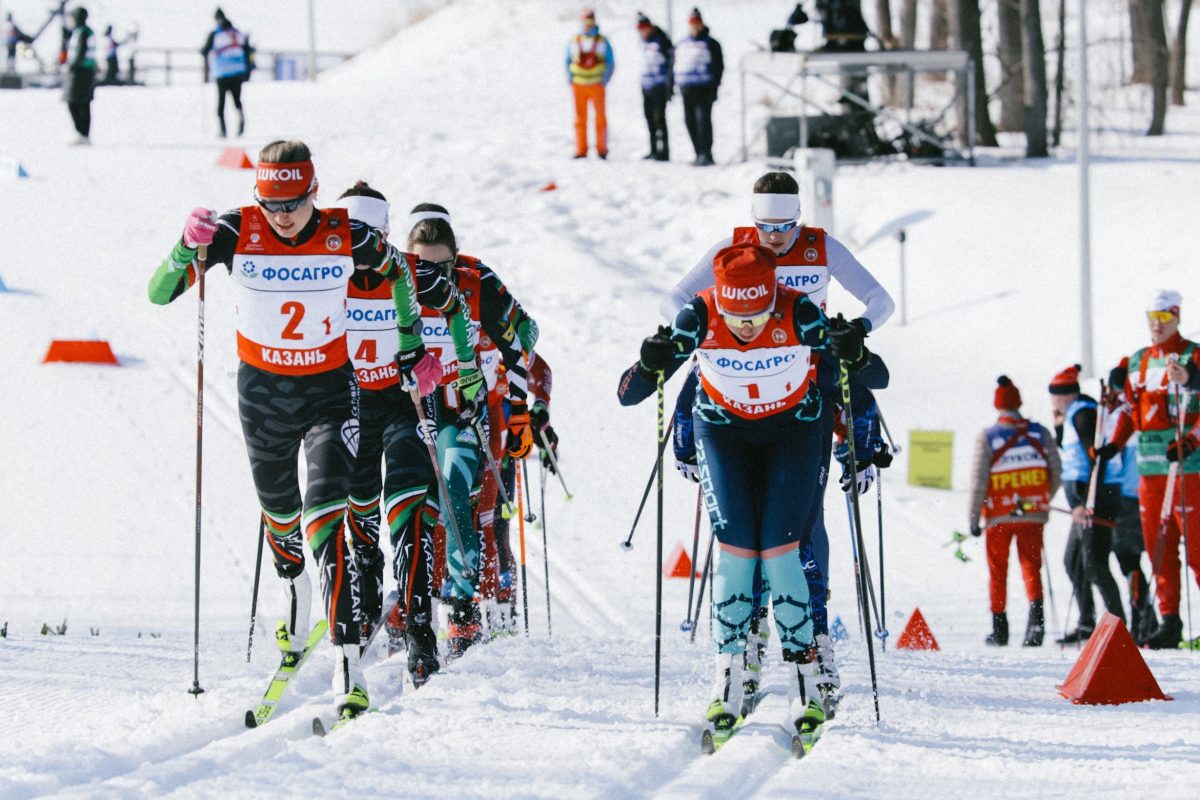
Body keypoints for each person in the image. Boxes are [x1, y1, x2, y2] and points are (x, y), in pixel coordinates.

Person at [147, 140, 483, 719]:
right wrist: (184, 247)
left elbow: (424, 287)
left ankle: (366, 655)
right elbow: (160, 292)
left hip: (348, 395)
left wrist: (421, 352)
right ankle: (305, 591)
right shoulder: (239, 230)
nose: (282, 215)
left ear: (314, 193)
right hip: (267, 396)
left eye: (294, 202)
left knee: (342, 517)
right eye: (271, 203)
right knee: (291, 524)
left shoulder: (350, 238)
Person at [661, 171, 893, 705]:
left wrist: (857, 329)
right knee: (742, 525)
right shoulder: (733, 250)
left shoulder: (820, 247)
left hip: (808, 373)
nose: (775, 238)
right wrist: (698, 328)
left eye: (785, 227)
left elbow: (881, 299)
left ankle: (814, 638)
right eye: (766, 227)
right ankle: (745, 637)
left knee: (801, 523)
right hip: (742, 371)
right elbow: (673, 297)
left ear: (799, 218)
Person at [619, 241, 864, 748]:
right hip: (722, 435)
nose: (746, 328)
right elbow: (630, 393)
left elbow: (869, 376)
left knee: (781, 551)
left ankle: (805, 680)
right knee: (735, 552)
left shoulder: (799, 311)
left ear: (773, 300)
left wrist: (852, 350)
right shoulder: (698, 315)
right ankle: (728, 678)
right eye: (735, 317)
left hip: (793, 434)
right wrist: (648, 363)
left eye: (756, 317)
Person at [405, 204, 536, 657]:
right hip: (407, 408)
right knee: (407, 500)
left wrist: (516, 404)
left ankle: (463, 606)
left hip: (460, 408)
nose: (431, 277)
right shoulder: (395, 283)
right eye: (421, 266)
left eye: (441, 267)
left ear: (455, 259)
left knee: (457, 490)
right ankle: (402, 596)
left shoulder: (477, 282)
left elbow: (525, 336)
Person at [331, 181, 445, 688]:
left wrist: (438, 363)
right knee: (358, 509)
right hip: (351, 400)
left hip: (404, 401)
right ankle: (366, 590)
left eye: (369, 236)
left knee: (409, 510)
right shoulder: (326, 274)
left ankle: (420, 629)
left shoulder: (409, 270)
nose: (360, 250)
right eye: (351, 235)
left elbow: (458, 309)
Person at [1099, 289, 1200, 649]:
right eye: (1151, 318)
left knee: (1197, 550)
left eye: (1163, 318)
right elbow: (1130, 410)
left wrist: (1191, 440)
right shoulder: (1139, 361)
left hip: (1187, 470)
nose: (1156, 325)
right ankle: (1170, 621)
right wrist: (1114, 443)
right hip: (1150, 470)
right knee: (1159, 548)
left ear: (1176, 317)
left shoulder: (1193, 355)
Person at [967, 376, 1061, 647]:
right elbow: (1056, 471)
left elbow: (979, 481)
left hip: (999, 514)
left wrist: (973, 517)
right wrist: (1041, 498)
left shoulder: (988, 437)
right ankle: (1036, 626)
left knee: (998, 570)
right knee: (1032, 565)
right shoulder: (1040, 432)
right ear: (1019, 403)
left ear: (998, 406)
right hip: (1033, 512)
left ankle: (1000, 629)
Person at [1050, 364, 1126, 644]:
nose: (1053, 401)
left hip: (1094, 498)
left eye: (1056, 395)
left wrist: (1084, 502)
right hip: (1083, 501)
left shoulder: (1084, 413)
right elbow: (1070, 451)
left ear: (1066, 394)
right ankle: (1087, 622)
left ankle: (1119, 627)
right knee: (1073, 561)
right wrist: (1059, 426)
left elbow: (1094, 457)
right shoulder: (1073, 413)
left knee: (1094, 564)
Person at [1102, 359, 1154, 644]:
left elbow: (1114, 460)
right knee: (1134, 560)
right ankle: (1147, 620)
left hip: (1126, 496)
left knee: (1128, 559)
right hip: (1140, 493)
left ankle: (1143, 622)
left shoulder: (1123, 414)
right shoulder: (1139, 409)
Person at [673, 8, 722, 166]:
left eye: (697, 23)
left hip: (704, 89)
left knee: (703, 121)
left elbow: (718, 67)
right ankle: (697, 152)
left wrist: (714, 87)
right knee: (689, 121)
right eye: (692, 23)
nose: (694, 26)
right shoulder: (683, 43)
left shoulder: (711, 43)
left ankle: (706, 153)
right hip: (686, 88)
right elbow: (675, 64)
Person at [566, 8, 613, 159]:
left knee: (600, 118)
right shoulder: (575, 39)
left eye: (590, 21)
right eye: (585, 21)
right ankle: (581, 149)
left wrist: (604, 80)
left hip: (596, 84)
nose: (588, 25)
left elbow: (610, 62)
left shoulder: (602, 41)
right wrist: (570, 78)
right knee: (580, 119)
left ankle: (602, 149)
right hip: (578, 84)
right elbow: (568, 60)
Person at [201, 8, 250, 138]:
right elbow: (247, 50)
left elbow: (205, 50)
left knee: (221, 102)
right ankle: (241, 118)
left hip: (222, 73)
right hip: (238, 71)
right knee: (237, 99)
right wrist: (247, 71)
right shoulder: (237, 33)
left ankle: (223, 130)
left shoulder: (215, 34)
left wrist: (203, 52)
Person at [636, 12, 673, 161]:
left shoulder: (661, 40)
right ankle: (653, 149)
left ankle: (664, 151)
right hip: (646, 85)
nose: (642, 31)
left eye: (644, 28)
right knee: (649, 119)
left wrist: (669, 84)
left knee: (659, 119)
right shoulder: (643, 43)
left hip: (659, 85)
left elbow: (671, 61)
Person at [63, 7, 96, 145]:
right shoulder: (80, 32)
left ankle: (83, 134)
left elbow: (81, 52)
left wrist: (72, 65)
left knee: (79, 102)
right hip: (82, 71)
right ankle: (81, 133)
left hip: (81, 72)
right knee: (77, 101)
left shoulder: (83, 32)